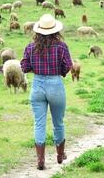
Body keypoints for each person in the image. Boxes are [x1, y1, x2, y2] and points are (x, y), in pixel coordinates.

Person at [21, 14, 73, 170]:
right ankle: (59, 155)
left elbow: (24, 66)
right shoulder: (61, 46)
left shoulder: (30, 47)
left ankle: (40, 159)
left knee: (39, 124)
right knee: (58, 122)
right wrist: (60, 72)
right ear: (55, 30)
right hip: (55, 84)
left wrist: (34, 68)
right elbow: (68, 65)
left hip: (37, 85)